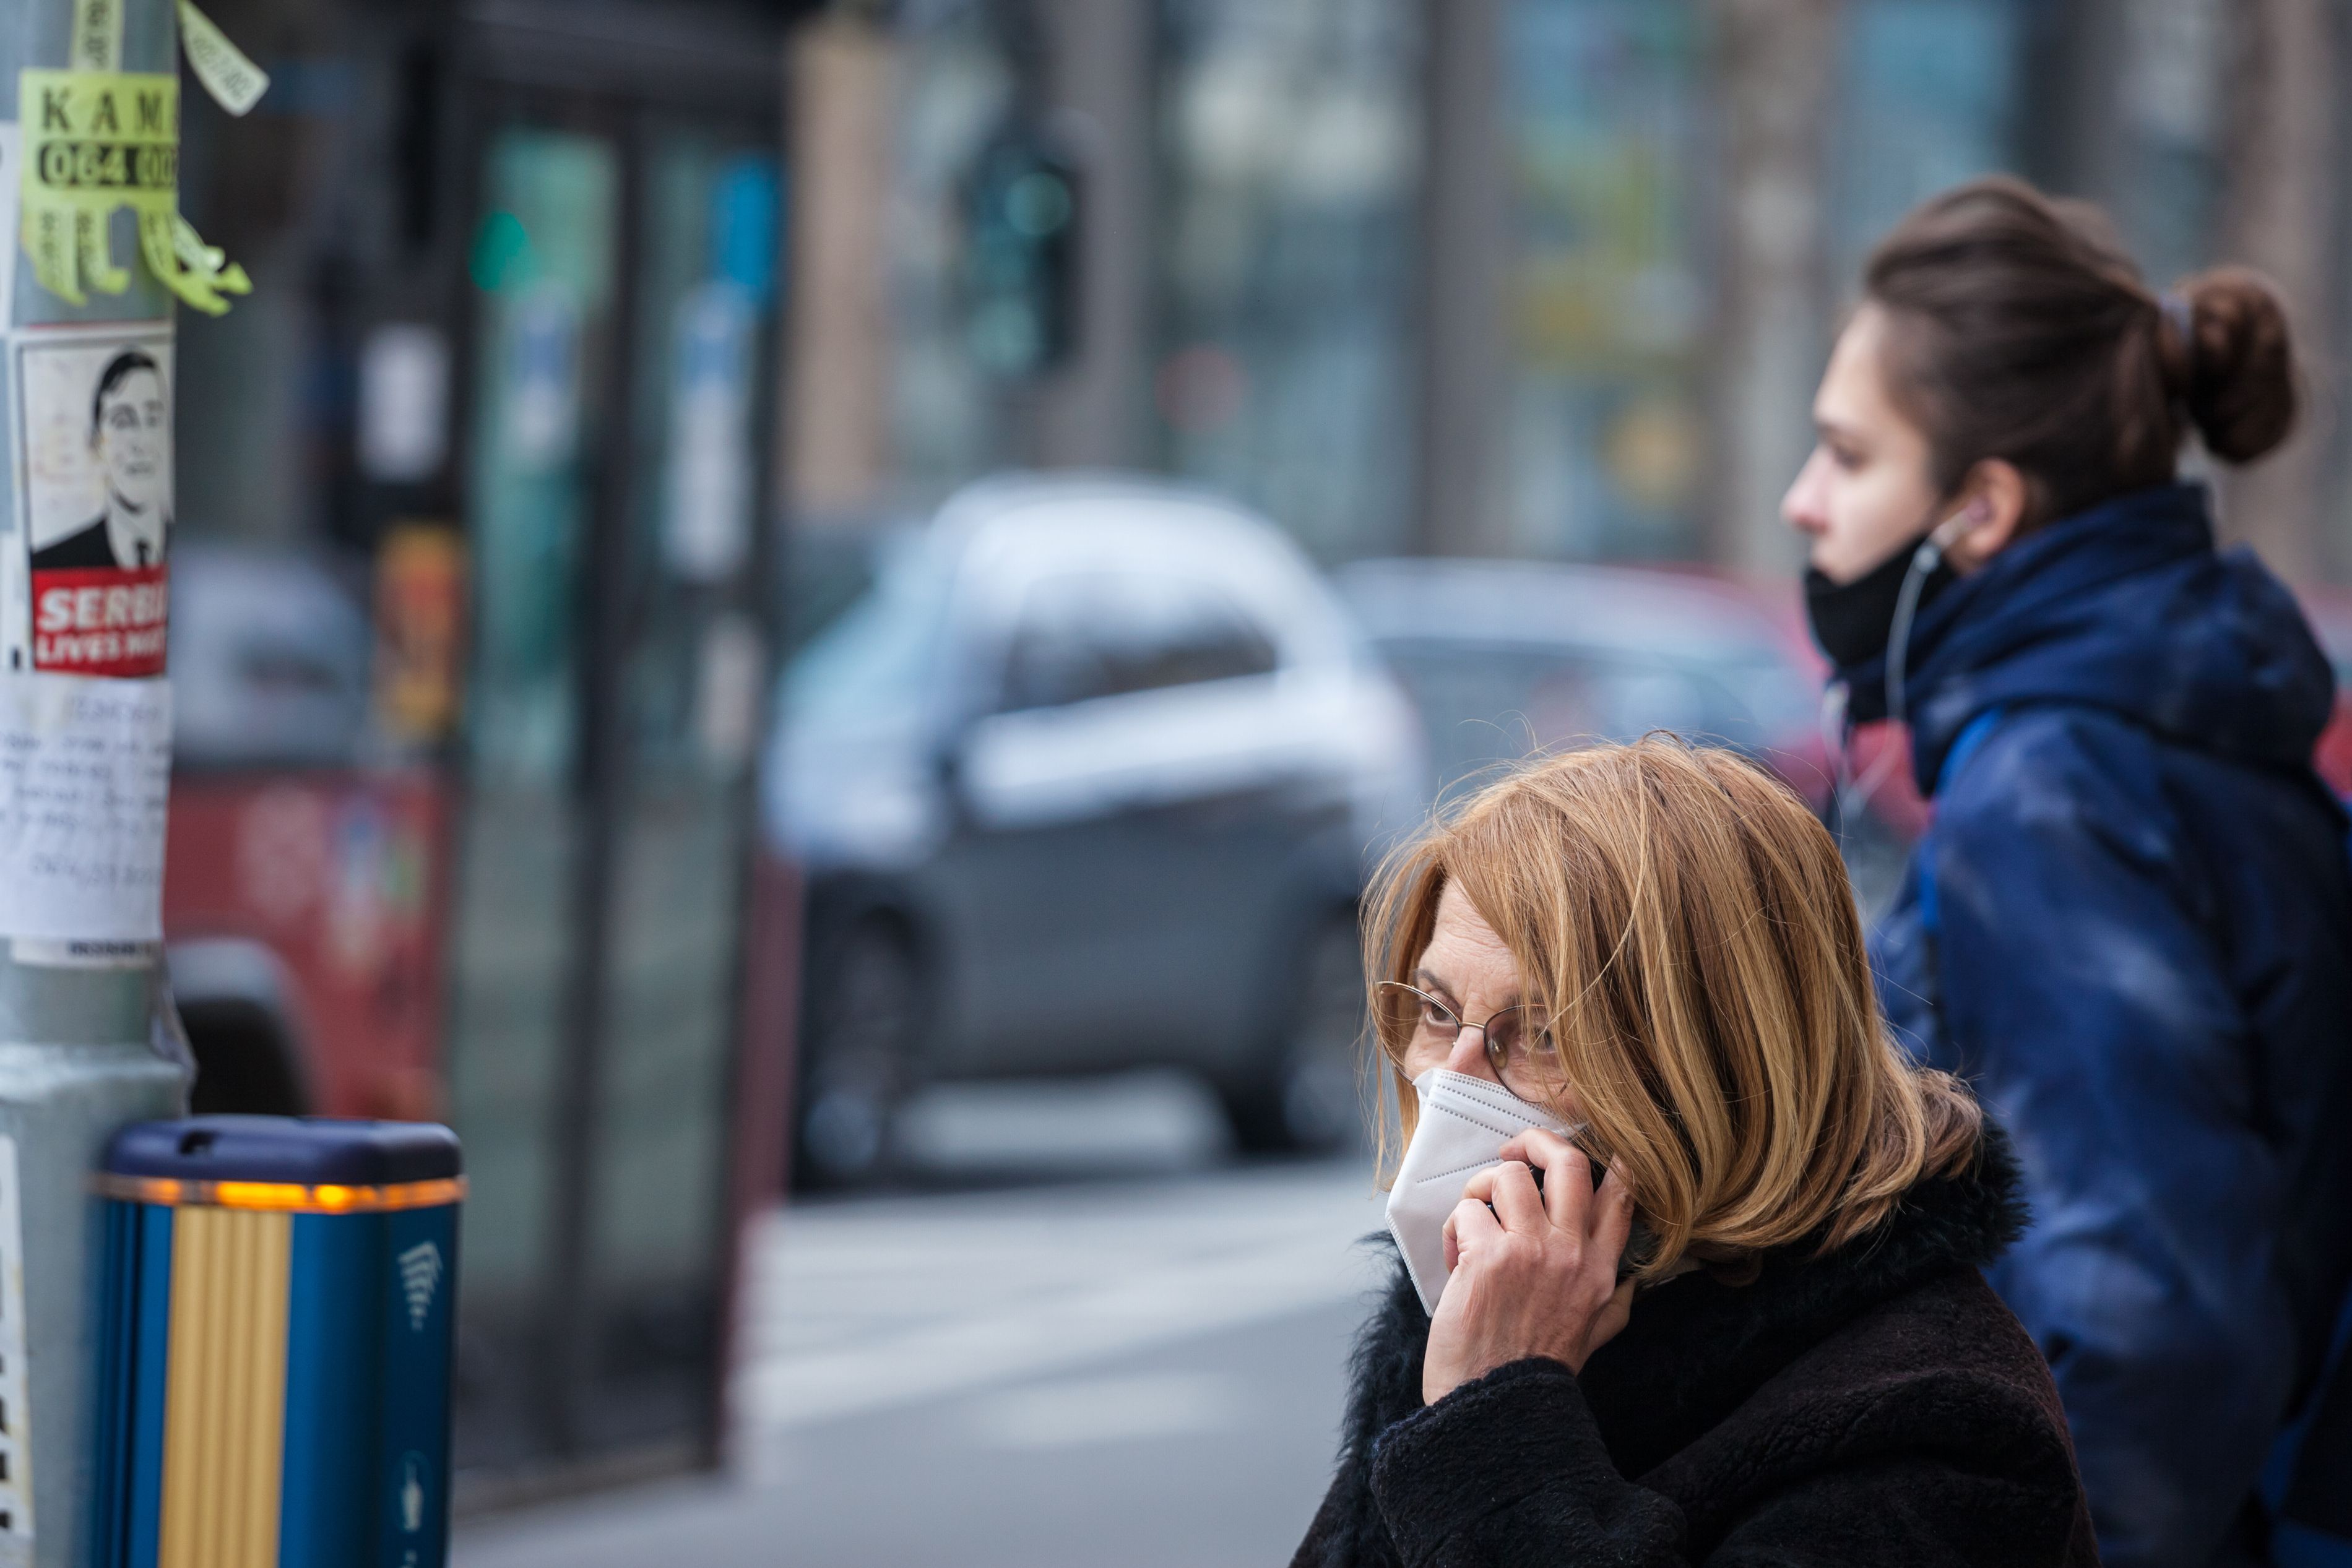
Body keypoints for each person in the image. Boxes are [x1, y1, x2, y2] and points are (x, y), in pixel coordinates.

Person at [1782, 176, 2352, 1567]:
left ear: (1980, 508)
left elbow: (2140, 1326)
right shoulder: (2168, 720)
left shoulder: (2049, 793)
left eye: (1847, 457)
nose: (1801, 502)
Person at [1293, 739, 2096, 1568]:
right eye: (1435, 1008)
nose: (1454, 1081)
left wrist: (1493, 1425)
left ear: (1717, 1063)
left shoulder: (1933, 1421)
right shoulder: (1487, 1302)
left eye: (1540, 1032)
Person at [32, 348, 171, 571]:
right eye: (123, 422)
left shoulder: (200, 553)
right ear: (96, 442)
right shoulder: (52, 562)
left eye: (153, 418)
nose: (140, 442)